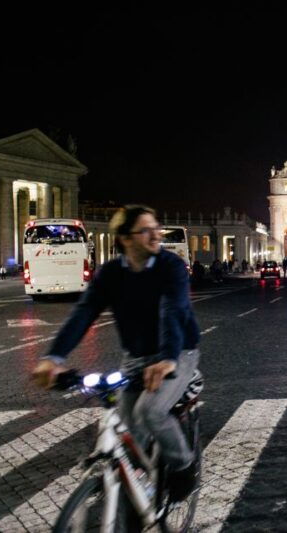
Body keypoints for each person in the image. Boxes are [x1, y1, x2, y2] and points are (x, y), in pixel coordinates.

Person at [31, 205, 201, 501]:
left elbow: (173, 311)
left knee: (149, 411)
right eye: (145, 230)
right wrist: (53, 358)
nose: (155, 235)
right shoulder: (110, 274)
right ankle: (136, 502)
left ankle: (183, 466)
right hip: (135, 357)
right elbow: (84, 313)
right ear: (125, 239)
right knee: (128, 431)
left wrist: (166, 359)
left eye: (156, 228)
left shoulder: (170, 266)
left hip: (178, 353)